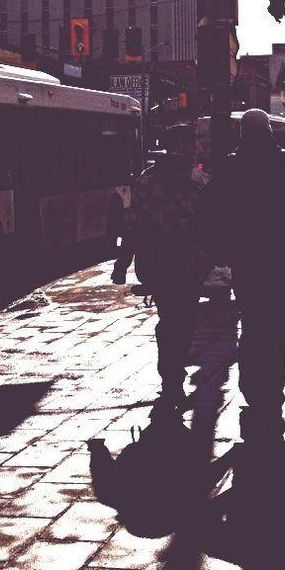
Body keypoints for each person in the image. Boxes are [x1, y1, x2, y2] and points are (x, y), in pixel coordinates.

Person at [204, 109, 285, 444]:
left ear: (242, 133)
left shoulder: (229, 165)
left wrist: (222, 241)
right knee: (277, 328)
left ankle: (252, 391)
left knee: (252, 324)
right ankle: (273, 395)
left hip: (246, 260)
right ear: (269, 130)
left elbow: (209, 207)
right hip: (280, 258)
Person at [111, 124, 211, 411]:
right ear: (185, 147)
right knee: (185, 322)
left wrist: (122, 263)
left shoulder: (146, 180)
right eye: (191, 144)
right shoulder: (197, 180)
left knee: (168, 321)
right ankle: (173, 376)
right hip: (189, 265)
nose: (195, 148)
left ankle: (170, 379)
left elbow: (133, 223)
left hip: (155, 264)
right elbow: (210, 225)